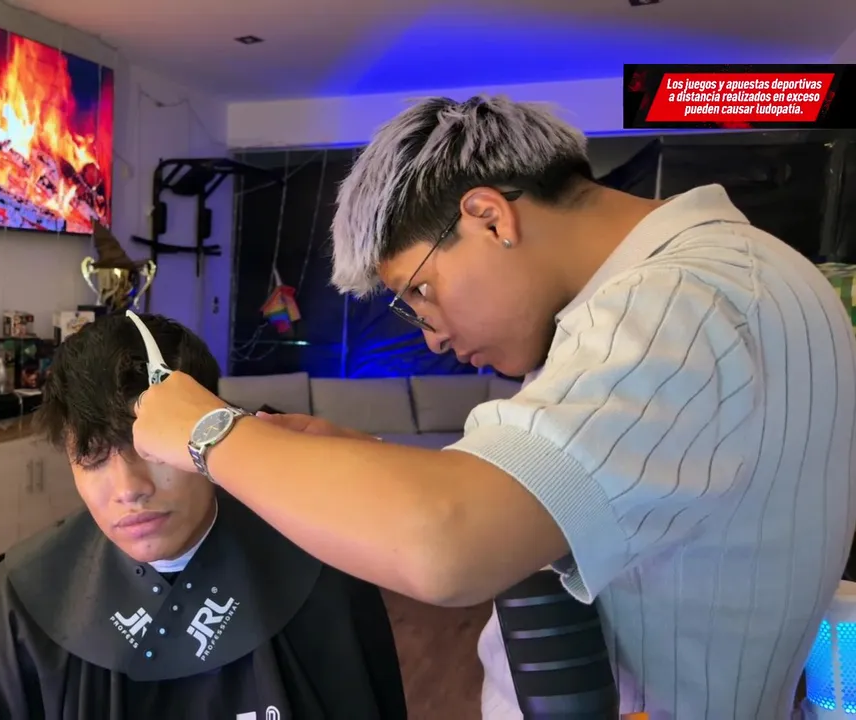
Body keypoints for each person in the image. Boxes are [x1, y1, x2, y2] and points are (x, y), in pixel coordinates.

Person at [131, 95, 856, 718]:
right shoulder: (743, 275)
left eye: (420, 291)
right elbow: (590, 490)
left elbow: (448, 545)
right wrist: (362, 457)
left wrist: (206, 430)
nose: (433, 337)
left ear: (489, 218)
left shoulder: (675, 304)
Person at [0, 314, 406, 719]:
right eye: (92, 456)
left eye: (152, 448)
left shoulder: (319, 568)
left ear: (211, 430)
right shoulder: (18, 604)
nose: (129, 488)